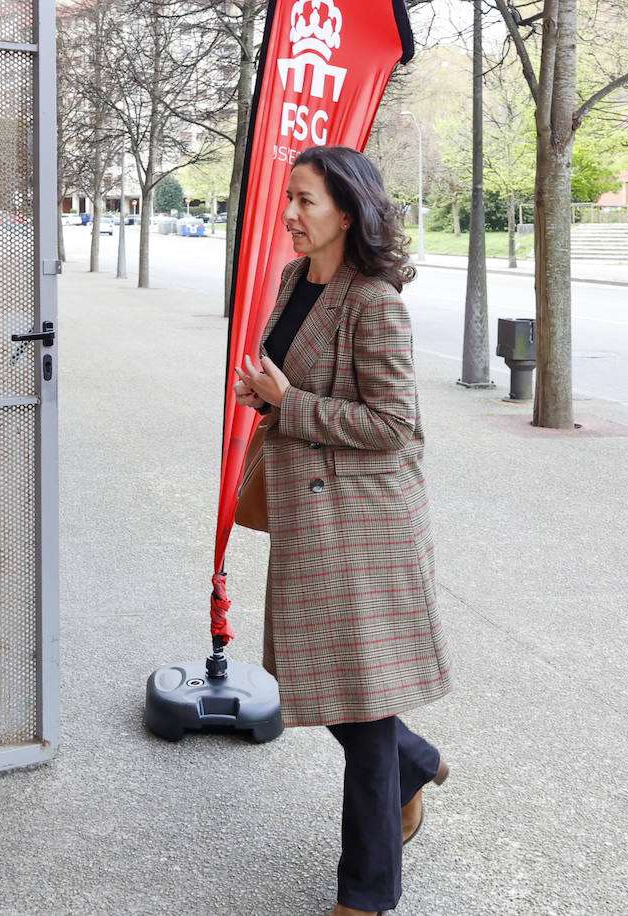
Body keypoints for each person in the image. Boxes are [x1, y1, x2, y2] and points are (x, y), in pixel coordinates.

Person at [233, 146, 453, 916]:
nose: (290, 215)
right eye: (289, 198)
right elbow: (288, 377)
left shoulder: (374, 300)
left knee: (359, 712)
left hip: (361, 528)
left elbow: (393, 425)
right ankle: (415, 765)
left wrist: (287, 404)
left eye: (305, 202)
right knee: (325, 684)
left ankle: (366, 895)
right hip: (309, 516)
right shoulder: (298, 280)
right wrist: (264, 394)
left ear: (348, 212)